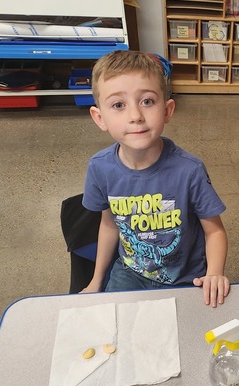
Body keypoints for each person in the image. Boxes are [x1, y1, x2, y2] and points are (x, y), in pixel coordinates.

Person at [81, 50, 230, 307]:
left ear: (167, 110)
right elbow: (109, 225)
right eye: (118, 105)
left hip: (186, 277)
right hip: (130, 273)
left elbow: (214, 231)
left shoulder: (189, 170)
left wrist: (214, 273)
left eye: (147, 101)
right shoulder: (100, 168)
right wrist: (97, 280)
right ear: (99, 118)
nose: (135, 115)